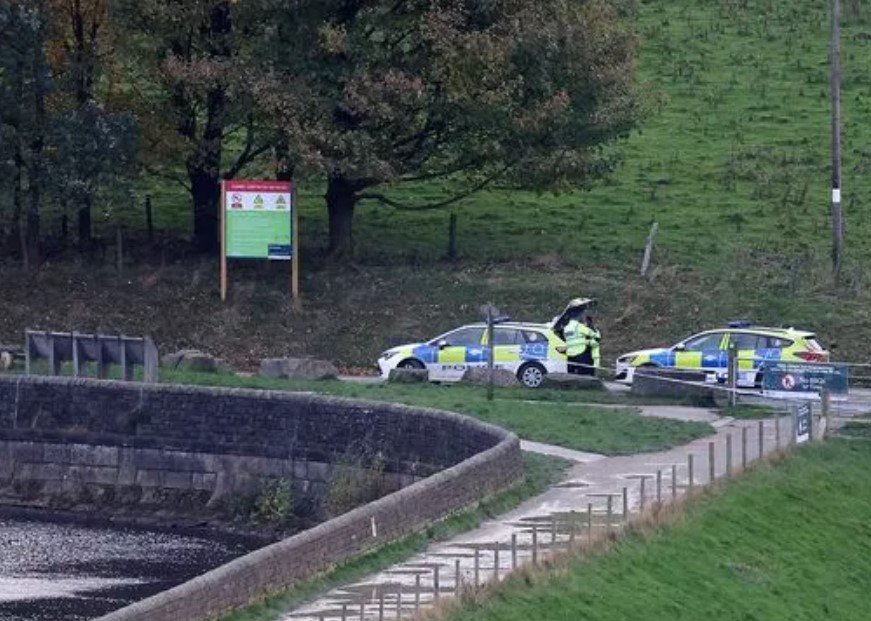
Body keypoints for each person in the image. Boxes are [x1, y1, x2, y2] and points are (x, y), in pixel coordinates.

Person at [563, 309, 597, 376]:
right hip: (580, 355)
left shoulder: (566, 328)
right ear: (578, 317)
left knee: (571, 376)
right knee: (585, 375)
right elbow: (593, 334)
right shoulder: (579, 326)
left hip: (570, 355)